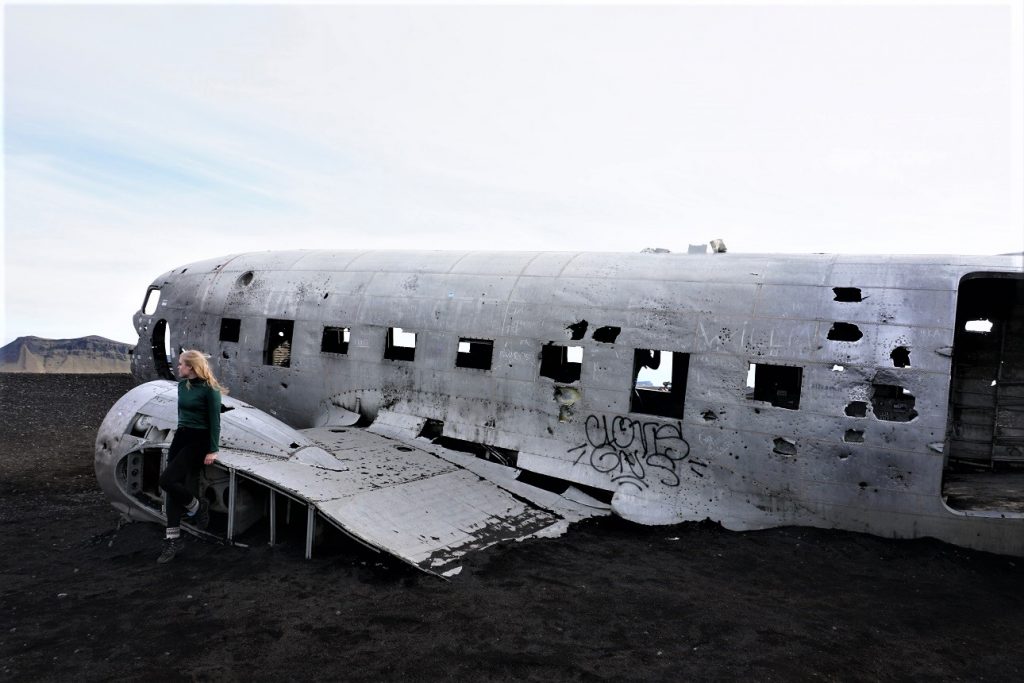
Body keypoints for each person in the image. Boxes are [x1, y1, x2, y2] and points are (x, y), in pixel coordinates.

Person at [157, 350, 227, 563]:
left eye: (181, 364)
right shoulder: (182, 387)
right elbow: (182, 416)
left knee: (166, 480)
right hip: (182, 437)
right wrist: (178, 438)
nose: (178, 367)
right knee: (172, 487)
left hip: (199, 440)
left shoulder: (210, 390)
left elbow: (215, 421)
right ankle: (173, 539)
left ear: (191, 367)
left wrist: (213, 449)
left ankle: (197, 506)